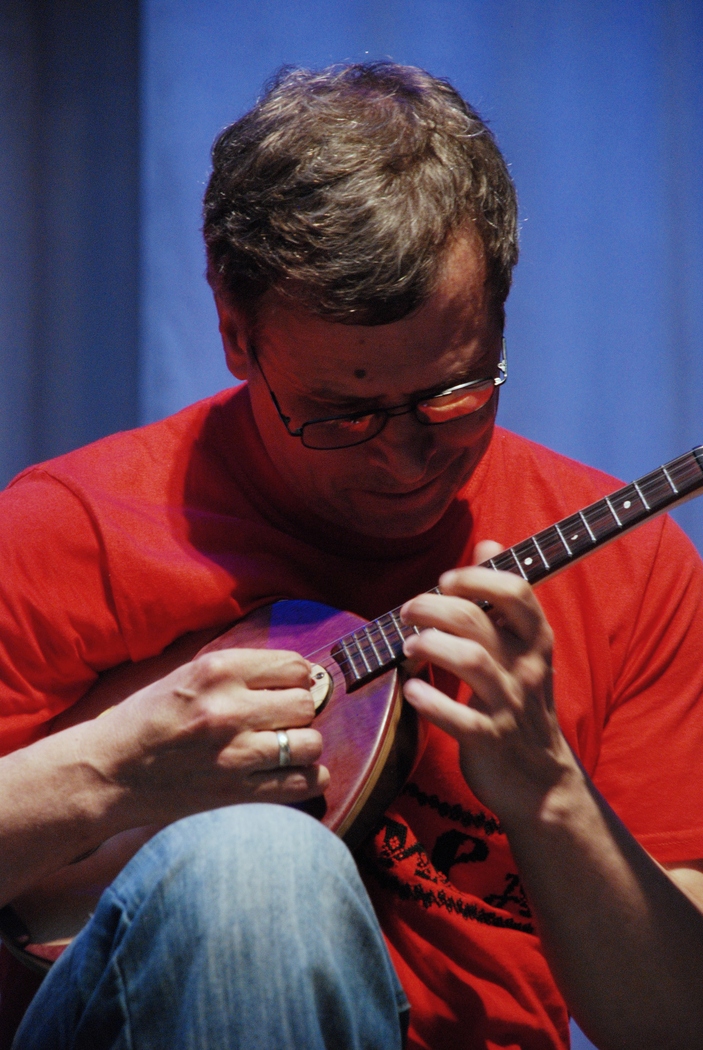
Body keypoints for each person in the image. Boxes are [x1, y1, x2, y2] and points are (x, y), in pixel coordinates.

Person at [1, 62, 703, 1050]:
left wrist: (548, 788)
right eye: (341, 413)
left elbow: (674, 1024)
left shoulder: (634, 575)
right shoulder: (70, 528)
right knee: (258, 866)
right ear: (235, 334)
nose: (407, 460)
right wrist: (115, 770)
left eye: (455, 395)